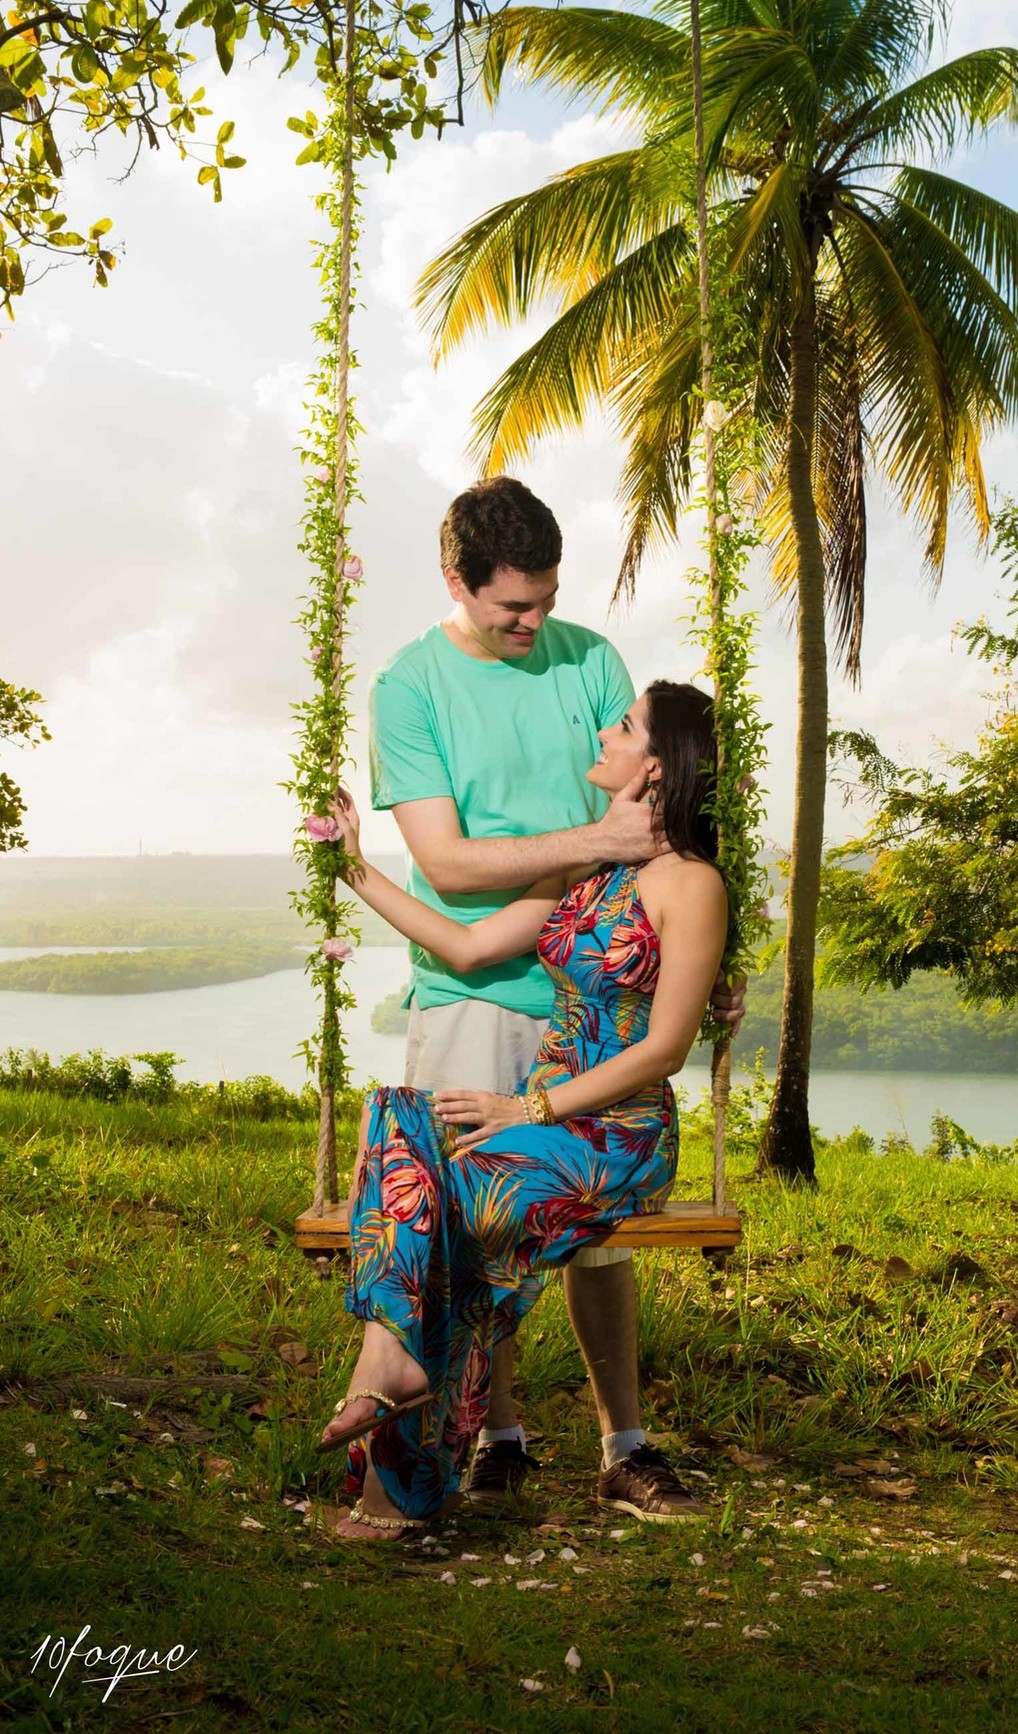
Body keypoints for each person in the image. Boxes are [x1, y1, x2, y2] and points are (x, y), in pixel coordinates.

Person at [358, 475, 742, 1525]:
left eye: (545, 599)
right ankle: (496, 1436)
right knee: (466, 1217)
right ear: (457, 582)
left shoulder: (587, 659)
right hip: (478, 983)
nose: (534, 623)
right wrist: (593, 850)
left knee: (594, 1241)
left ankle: (624, 1439)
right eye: (511, 607)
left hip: (603, 986)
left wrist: (694, 952)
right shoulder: (411, 687)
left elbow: (663, 810)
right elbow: (450, 865)